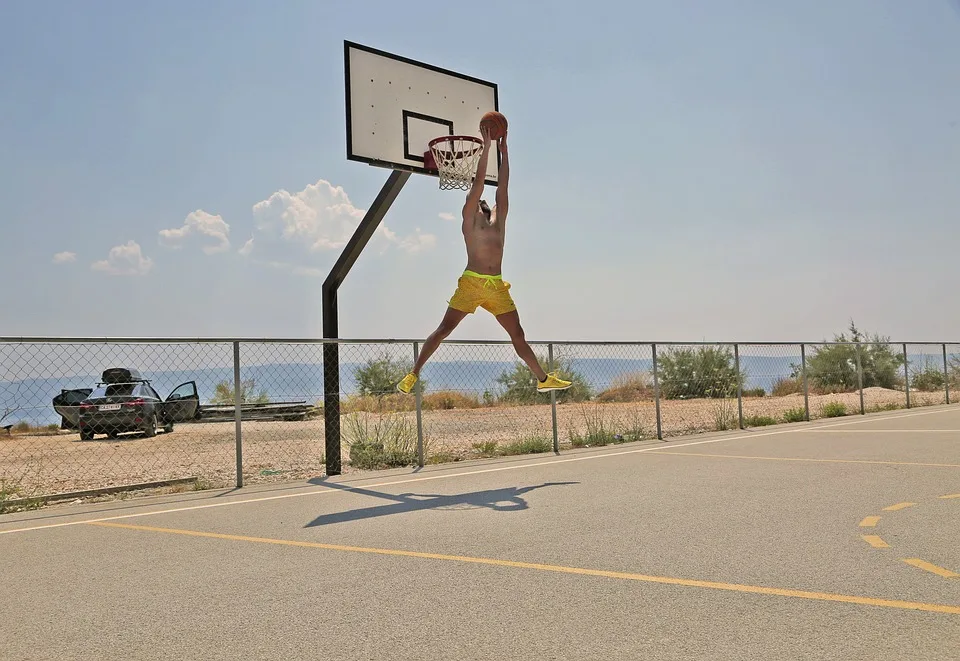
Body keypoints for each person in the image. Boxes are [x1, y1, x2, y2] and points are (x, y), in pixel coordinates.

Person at [397, 125, 573, 395]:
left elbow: (503, 187)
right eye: (478, 199)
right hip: (472, 283)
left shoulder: (498, 222)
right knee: (444, 329)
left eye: (485, 201)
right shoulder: (469, 221)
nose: (482, 200)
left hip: (496, 286)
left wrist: (504, 152)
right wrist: (487, 147)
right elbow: (478, 186)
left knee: (518, 334)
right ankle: (413, 374)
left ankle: (542, 379)